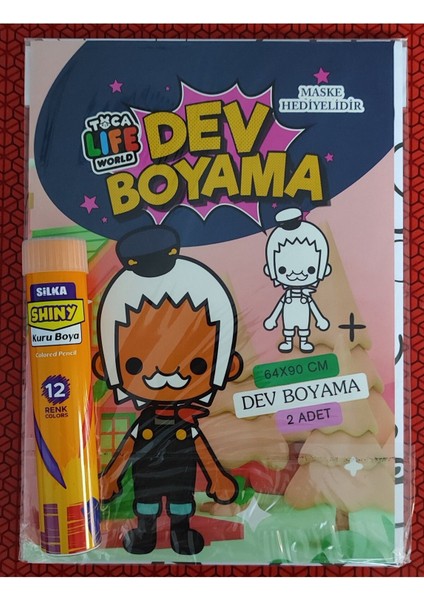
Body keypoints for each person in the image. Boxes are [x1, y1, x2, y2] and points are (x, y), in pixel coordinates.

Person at [93, 225, 243, 555]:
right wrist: (111, 477)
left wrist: (218, 478)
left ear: (228, 365)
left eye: (197, 364)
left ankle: (180, 532)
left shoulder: (188, 423)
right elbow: (127, 450)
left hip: (180, 480)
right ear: (105, 365)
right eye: (135, 364)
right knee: (146, 503)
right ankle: (146, 532)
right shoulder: (148, 422)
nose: (165, 373)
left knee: (180, 503)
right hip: (146, 479)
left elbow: (202, 451)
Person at [264, 208, 331, 353]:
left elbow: (312, 306)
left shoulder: (306, 295)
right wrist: (272, 318)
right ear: (270, 270)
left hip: (302, 311)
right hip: (289, 312)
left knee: (303, 326)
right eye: (283, 269)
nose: (296, 274)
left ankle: (303, 341)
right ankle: (288, 341)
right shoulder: (289, 295)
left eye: (311, 269)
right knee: (288, 327)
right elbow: (280, 306)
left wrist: (320, 319)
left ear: (324, 269)